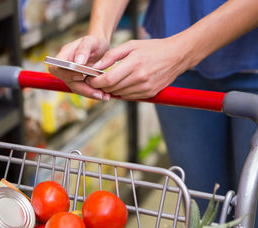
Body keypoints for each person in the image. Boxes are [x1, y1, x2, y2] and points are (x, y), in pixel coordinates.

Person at [49, 0, 258, 223]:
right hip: (173, 51)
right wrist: (99, 32)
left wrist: (180, 53)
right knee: (202, 208)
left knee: (251, 212)